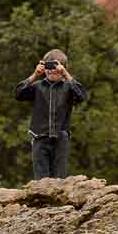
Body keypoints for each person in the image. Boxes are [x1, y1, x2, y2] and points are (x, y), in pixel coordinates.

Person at [15, 48, 88, 180]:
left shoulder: (68, 88)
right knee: (41, 181)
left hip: (60, 138)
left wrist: (66, 75)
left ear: (63, 68)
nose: (52, 69)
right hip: (39, 137)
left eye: (56, 66)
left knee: (59, 180)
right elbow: (18, 94)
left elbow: (82, 95)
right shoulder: (37, 86)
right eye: (49, 65)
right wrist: (35, 74)